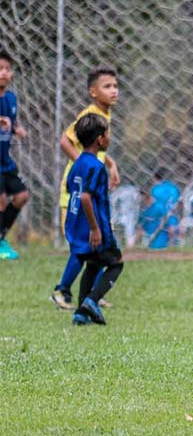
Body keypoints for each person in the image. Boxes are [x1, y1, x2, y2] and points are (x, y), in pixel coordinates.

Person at [51, 67, 120, 310]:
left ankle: (92, 294)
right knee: (87, 242)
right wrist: (84, 164)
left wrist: (110, 164)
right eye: (107, 86)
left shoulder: (105, 114)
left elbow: (98, 150)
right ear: (93, 92)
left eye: (115, 85)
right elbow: (65, 140)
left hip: (89, 189)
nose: (114, 91)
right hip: (81, 193)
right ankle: (63, 291)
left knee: (97, 242)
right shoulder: (90, 114)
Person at [64, 114, 124, 326]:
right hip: (95, 227)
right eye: (107, 133)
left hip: (76, 225)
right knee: (116, 263)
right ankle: (91, 300)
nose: (109, 137)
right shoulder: (96, 166)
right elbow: (86, 197)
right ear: (100, 139)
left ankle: (80, 314)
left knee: (93, 263)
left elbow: (71, 188)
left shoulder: (78, 162)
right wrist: (95, 228)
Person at [0, 50, 29, 260]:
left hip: (5, 160)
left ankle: (1, 237)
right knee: (0, 200)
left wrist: (17, 129)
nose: (3, 73)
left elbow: (12, 122)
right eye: (0, 69)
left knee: (21, 196)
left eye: (7, 69)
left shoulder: (10, 98)